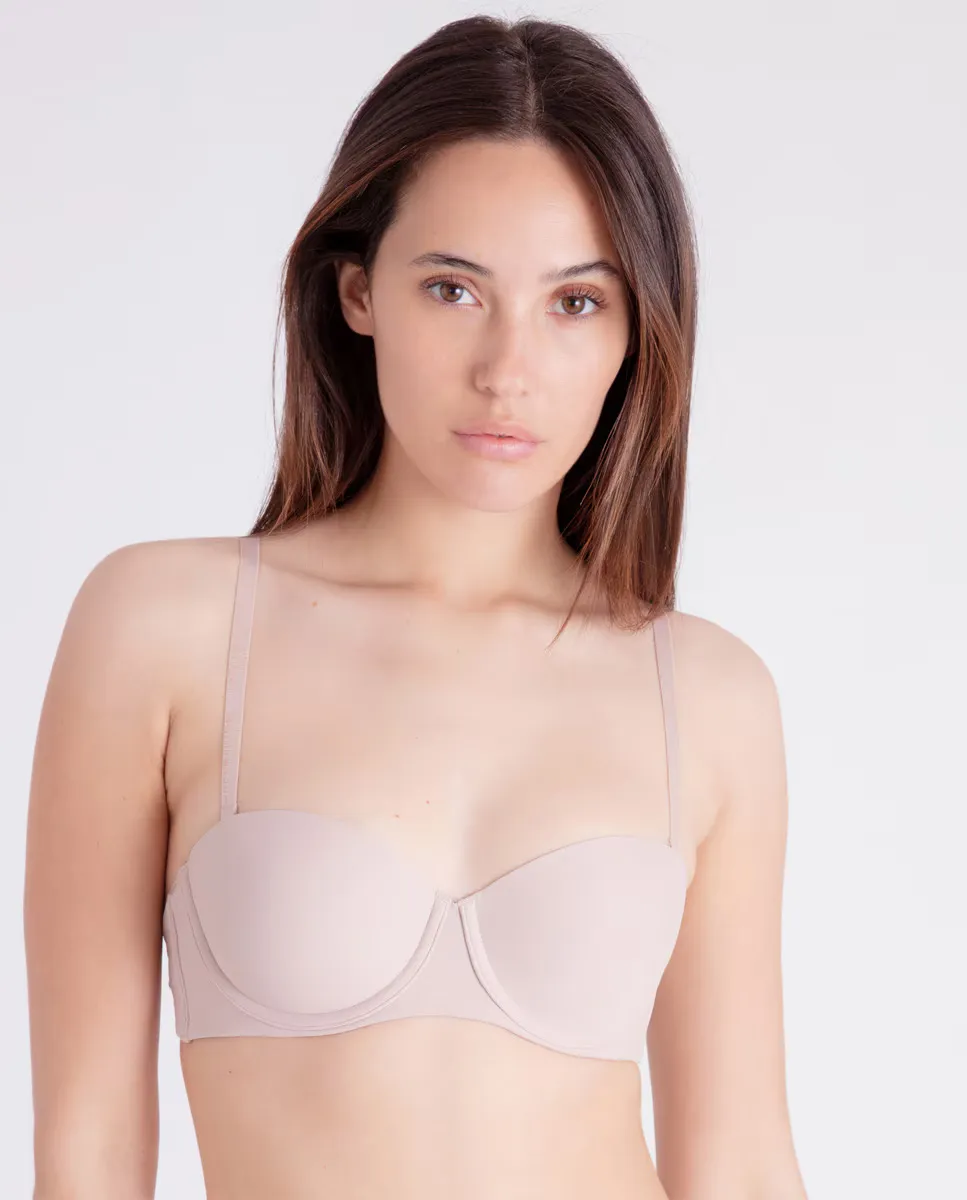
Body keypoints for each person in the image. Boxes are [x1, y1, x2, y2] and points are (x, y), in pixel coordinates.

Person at [23, 14, 809, 1200]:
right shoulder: (164, 631)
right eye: (453, 288)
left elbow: (740, 1164)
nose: (506, 370)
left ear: (636, 329)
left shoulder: (705, 694)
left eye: (574, 304)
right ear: (357, 292)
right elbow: (86, 1155)